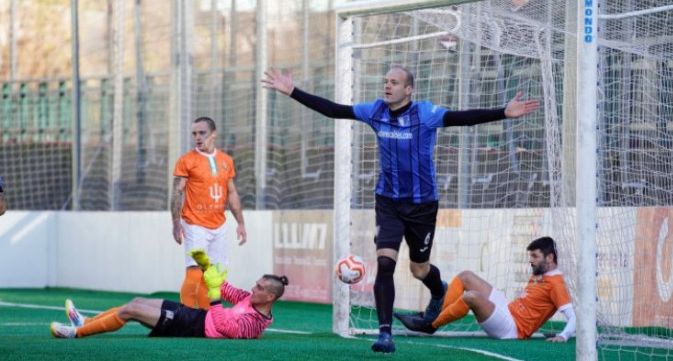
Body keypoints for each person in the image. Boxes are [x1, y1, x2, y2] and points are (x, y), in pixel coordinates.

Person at [261, 66, 540, 353]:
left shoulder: (426, 113)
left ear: (409, 90)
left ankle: (438, 290)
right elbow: (335, 110)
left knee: (419, 269)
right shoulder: (375, 111)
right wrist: (292, 91)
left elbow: (462, 118)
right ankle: (385, 334)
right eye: (385, 81)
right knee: (385, 264)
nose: (387, 86)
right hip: (388, 203)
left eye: (394, 82)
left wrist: (502, 112)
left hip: (423, 206)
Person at [51, 250, 289, 339]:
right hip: (196, 316)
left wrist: (214, 295)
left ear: (270, 297)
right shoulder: (249, 299)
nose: (253, 289)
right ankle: (86, 322)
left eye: (259, 287)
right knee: (137, 302)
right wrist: (206, 267)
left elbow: (225, 327)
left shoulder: (254, 325)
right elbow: (227, 288)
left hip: (193, 328)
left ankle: (77, 333)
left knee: (131, 311)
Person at [395, 236, 575, 342]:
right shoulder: (540, 271)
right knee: (465, 276)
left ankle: (430, 326)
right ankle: (432, 317)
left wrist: (564, 336)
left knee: (472, 297)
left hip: (513, 329)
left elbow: (573, 318)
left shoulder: (556, 284)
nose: (531, 260)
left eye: (535, 256)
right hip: (508, 310)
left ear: (550, 257)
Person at [171, 116, 247, 310]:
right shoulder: (187, 160)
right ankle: (184, 317)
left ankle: (208, 318)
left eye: (202, 133)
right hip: (195, 223)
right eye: (194, 133)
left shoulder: (226, 160)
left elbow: (232, 192)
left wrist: (240, 223)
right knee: (195, 271)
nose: (197, 137)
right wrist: (176, 222)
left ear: (214, 134)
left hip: (219, 224)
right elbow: (177, 192)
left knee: (214, 275)